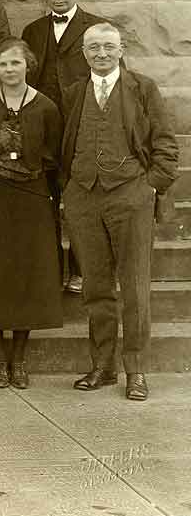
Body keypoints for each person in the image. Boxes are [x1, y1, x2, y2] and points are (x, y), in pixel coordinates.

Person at [62, 22, 178, 401]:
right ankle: (103, 366)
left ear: (121, 48)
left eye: (108, 47)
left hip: (130, 195)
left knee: (134, 286)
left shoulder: (142, 88)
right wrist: (68, 187)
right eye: (93, 47)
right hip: (83, 197)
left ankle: (137, 370)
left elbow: (164, 143)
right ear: (83, 53)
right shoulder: (75, 92)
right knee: (95, 286)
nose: (101, 54)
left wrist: (150, 186)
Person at [0, 38, 63, 390]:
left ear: (29, 65)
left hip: (32, 198)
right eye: (4, 64)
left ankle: (18, 359)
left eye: (16, 64)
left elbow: (55, 154)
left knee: (25, 275)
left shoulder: (46, 107)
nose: (10, 70)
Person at [22, 0, 107, 294]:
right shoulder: (32, 29)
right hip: (41, 127)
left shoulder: (97, 28)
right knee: (44, 200)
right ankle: (50, 271)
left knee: (82, 201)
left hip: (80, 126)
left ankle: (83, 271)